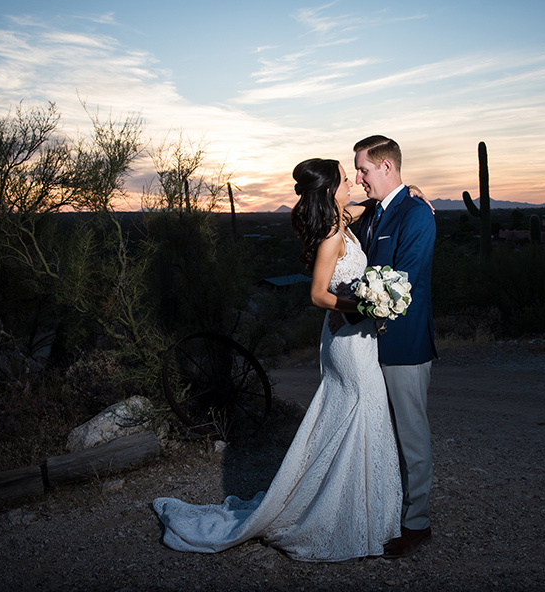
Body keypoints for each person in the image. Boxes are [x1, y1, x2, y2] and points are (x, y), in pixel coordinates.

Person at [153, 158, 402, 562]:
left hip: (357, 337)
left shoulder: (343, 219)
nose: (353, 184)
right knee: (361, 409)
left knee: (362, 415)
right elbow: (319, 295)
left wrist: (409, 194)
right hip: (347, 341)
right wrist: (364, 305)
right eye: (344, 180)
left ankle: (365, 511)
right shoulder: (330, 238)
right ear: (329, 190)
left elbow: (373, 206)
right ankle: (336, 515)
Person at [348, 135, 437, 558]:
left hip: (404, 342)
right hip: (367, 345)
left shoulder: (417, 216)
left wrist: (346, 309)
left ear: (386, 167)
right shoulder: (372, 214)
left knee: (411, 435)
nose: (359, 179)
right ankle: (384, 513)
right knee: (380, 434)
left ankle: (417, 523)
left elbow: (401, 285)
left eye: (363, 170)